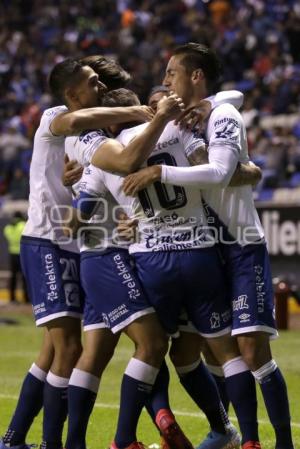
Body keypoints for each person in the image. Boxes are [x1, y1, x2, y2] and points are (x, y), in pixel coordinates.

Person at [68, 83, 265, 449]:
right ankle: (248, 438)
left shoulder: (103, 156)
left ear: (110, 123)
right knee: (223, 351)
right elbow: (206, 167)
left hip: (151, 260)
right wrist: (246, 170)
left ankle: (124, 438)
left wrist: (104, 209)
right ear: (139, 107)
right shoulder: (176, 127)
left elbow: (80, 215)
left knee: (151, 348)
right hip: (200, 252)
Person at [122, 42, 294, 449]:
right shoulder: (194, 119)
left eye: (171, 73)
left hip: (240, 243)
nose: (166, 81)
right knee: (199, 350)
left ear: (194, 76)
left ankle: (279, 442)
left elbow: (218, 172)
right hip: (206, 247)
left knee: (251, 351)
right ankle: (228, 433)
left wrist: (159, 173)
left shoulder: (223, 116)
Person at [0, 56, 154, 449]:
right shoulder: (58, 116)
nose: (99, 85)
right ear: (72, 94)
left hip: (73, 243)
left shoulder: (91, 133)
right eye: (91, 82)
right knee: (68, 347)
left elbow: (93, 180)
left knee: (53, 349)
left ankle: (15, 439)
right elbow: (73, 126)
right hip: (48, 240)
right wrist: (141, 109)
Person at [3, 212, 29, 304]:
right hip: (22, 253)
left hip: (12, 253)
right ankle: (26, 298)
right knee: (24, 277)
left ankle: (12, 298)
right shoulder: (22, 225)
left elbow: (8, 236)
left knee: (13, 276)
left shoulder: (8, 227)